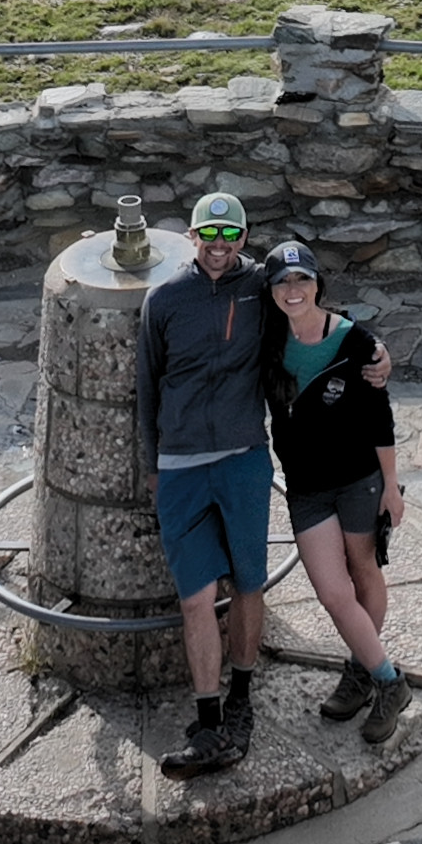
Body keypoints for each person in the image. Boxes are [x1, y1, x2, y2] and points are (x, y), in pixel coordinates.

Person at [133, 188, 275, 779]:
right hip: (183, 467)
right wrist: (153, 461)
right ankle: (209, 716)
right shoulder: (163, 300)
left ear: (244, 238)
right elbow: (147, 384)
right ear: (192, 237)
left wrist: (373, 353)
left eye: (230, 236)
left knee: (247, 583)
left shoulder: (264, 286)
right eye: (207, 236)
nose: (219, 247)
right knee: (194, 596)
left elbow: (316, 311)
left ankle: (241, 697)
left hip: (243, 457)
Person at [257, 242, 411, 739]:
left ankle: (364, 672)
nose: (293, 290)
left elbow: (379, 418)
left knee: (363, 569)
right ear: (272, 291)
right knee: (331, 590)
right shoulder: (268, 342)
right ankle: (389, 679)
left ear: (318, 284)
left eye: (302, 280)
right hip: (307, 489)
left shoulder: (355, 342)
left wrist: (391, 486)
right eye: (283, 282)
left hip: (358, 481)